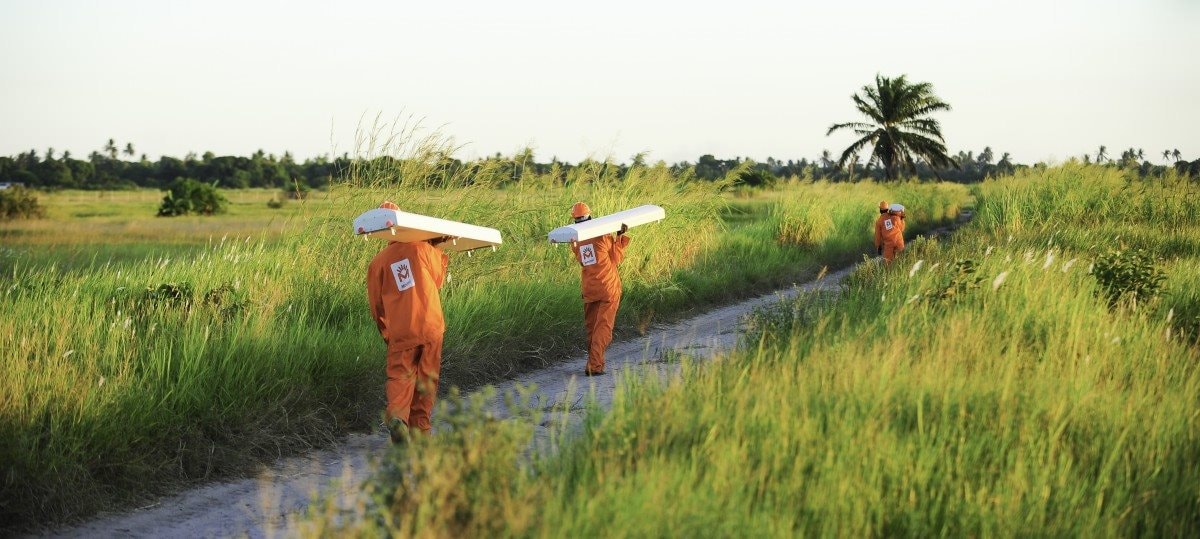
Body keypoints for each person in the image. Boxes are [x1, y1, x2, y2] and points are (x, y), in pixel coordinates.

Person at [366, 201, 451, 443]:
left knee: (399, 378)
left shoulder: (377, 263)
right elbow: (437, 281)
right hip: (431, 326)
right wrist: (435, 246)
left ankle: (397, 419)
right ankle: (421, 432)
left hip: (402, 331)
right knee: (426, 379)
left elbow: (376, 307)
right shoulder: (423, 249)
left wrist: (386, 333)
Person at [568, 202, 630, 376]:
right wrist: (619, 237)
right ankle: (594, 366)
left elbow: (582, 261)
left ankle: (594, 363)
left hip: (590, 290)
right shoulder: (603, 235)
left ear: (575, 219)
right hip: (608, 288)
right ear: (590, 216)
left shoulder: (576, 240)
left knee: (592, 329)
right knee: (603, 328)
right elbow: (616, 258)